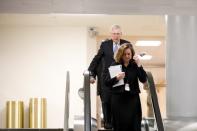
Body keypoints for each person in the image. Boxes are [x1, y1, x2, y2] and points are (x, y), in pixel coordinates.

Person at [88, 24, 130, 129]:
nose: (116, 36)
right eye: (114, 34)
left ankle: (118, 124)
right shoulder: (105, 45)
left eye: (118, 34)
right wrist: (90, 72)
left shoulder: (126, 44)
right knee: (106, 101)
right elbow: (96, 59)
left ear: (121, 34)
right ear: (111, 34)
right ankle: (107, 123)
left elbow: (131, 57)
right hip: (107, 78)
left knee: (119, 102)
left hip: (121, 77)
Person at [105, 43, 147, 131]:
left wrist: (139, 65)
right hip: (118, 100)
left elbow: (143, 79)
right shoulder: (115, 65)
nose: (127, 56)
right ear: (121, 54)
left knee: (134, 124)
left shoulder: (135, 65)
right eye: (124, 54)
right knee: (119, 125)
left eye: (129, 54)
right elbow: (107, 82)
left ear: (132, 54)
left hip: (133, 99)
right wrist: (116, 78)